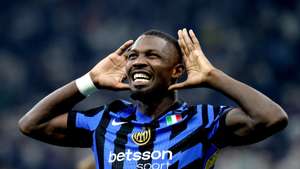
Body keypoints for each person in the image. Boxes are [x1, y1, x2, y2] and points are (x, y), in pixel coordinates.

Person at [18, 28, 288, 169]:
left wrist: (213, 76)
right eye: (133, 56)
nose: (137, 62)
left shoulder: (204, 121)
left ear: (177, 72)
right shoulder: (105, 120)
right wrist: (88, 82)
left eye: (152, 55)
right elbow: (31, 124)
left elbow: (272, 118)